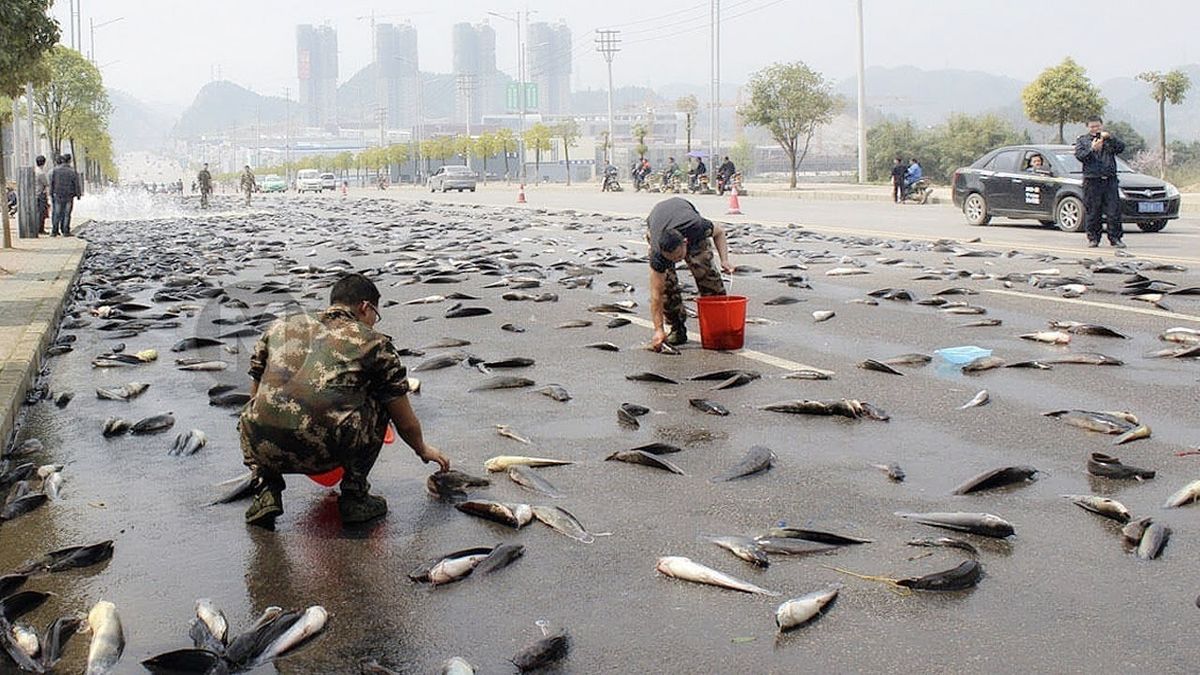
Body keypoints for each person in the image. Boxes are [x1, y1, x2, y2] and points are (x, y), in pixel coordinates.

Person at [239, 273, 451, 529]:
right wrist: (422, 449)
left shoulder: (279, 327)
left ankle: (266, 491)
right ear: (365, 307)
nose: (373, 322)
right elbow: (403, 419)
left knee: (262, 408)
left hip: (263, 446)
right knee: (383, 399)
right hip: (327, 449)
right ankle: (355, 496)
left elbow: (256, 393)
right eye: (375, 314)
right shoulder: (374, 342)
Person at [646, 197, 733, 350]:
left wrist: (724, 260)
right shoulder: (658, 253)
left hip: (686, 222)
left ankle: (718, 328)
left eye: (679, 257)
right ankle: (677, 328)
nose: (678, 261)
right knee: (666, 286)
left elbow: (719, 232)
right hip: (657, 222)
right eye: (672, 260)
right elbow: (656, 294)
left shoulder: (696, 227)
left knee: (706, 274)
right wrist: (658, 329)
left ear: (685, 243)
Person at [1074, 116, 1126, 248]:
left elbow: (1121, 148)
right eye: (1092, 126)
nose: (1095, 129)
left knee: (1113, 211)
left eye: (1097, 126)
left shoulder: (1108, 139)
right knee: (1093, 211)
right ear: (1088, 127)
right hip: (1092, 180)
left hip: (1110, 179)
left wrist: (1110, 138)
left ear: (1102, 125)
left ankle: (1115, 238)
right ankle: (1093, 238)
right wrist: (1092, 149)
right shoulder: (1083, 140)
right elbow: (1080, 156)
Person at [49, 154, 82, 237]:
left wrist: (51, 193)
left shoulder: (56, 170)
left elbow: (52, 183)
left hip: (58, 194)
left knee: (57, 213)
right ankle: (65, 231)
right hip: (69, 195)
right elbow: (76, 184)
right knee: (67, 214)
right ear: (70, 160)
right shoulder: (72, 171)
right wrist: (78, 194)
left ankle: (54, 231)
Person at [33, 156, 49, 234]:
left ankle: (38, 228)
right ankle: (40, 229)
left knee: (37, 212)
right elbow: (46, 183)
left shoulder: (34, 171)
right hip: (40, 194)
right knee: (41, 212)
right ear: (44, 163)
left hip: (35, 194)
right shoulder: (41, 173)